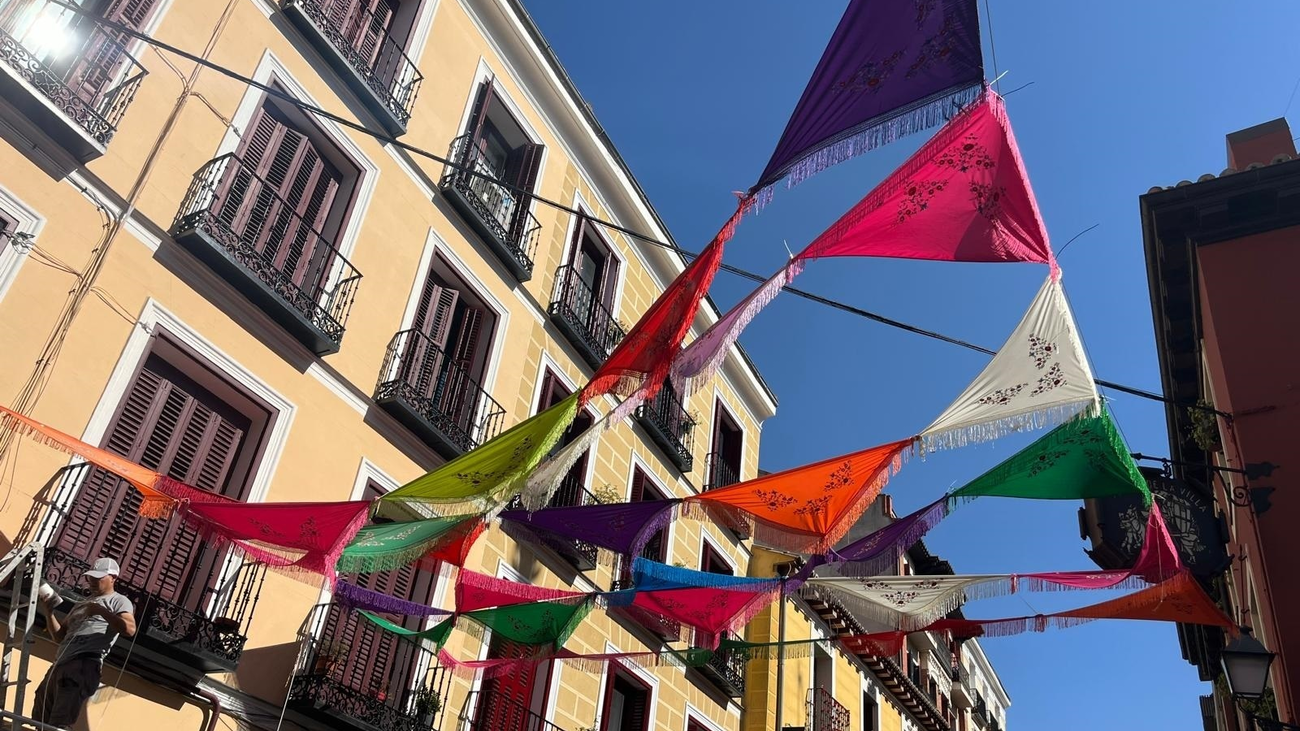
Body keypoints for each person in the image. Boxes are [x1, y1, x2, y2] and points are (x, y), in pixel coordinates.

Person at [34, 557, 136, 727]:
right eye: (91, 578)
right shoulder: (82, 604)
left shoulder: (119, 600)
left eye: (99, 578)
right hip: (60, 663)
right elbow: (60, 637)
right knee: (40, 717)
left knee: (59, 721)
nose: (93, 582)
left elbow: (130, 629)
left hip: (83, 663)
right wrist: (49, 612)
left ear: (113, 578)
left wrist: (101, 611)